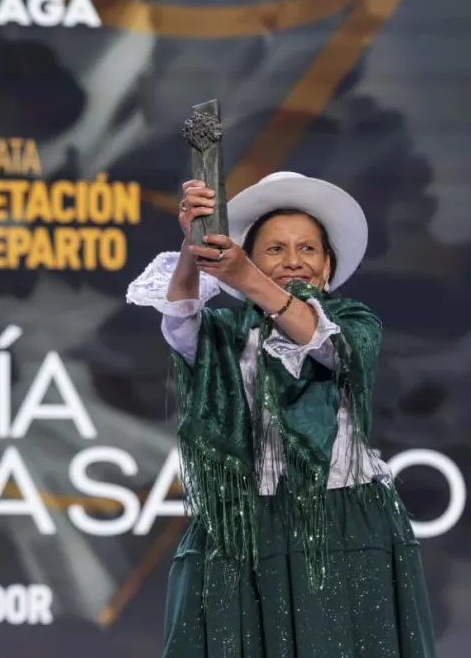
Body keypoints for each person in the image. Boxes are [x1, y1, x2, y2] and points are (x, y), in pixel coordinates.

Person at [126, 172, 437, 657]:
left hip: (341, 519)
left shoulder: (354, 324)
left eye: (308, 249)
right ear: (249, 258)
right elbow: (180, 318)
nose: (294, 260)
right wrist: (193, 244)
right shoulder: (225, 334)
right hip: (241, 523)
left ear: (328, 265)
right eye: (274, 249)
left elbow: (327, 347)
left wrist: (246, 276)